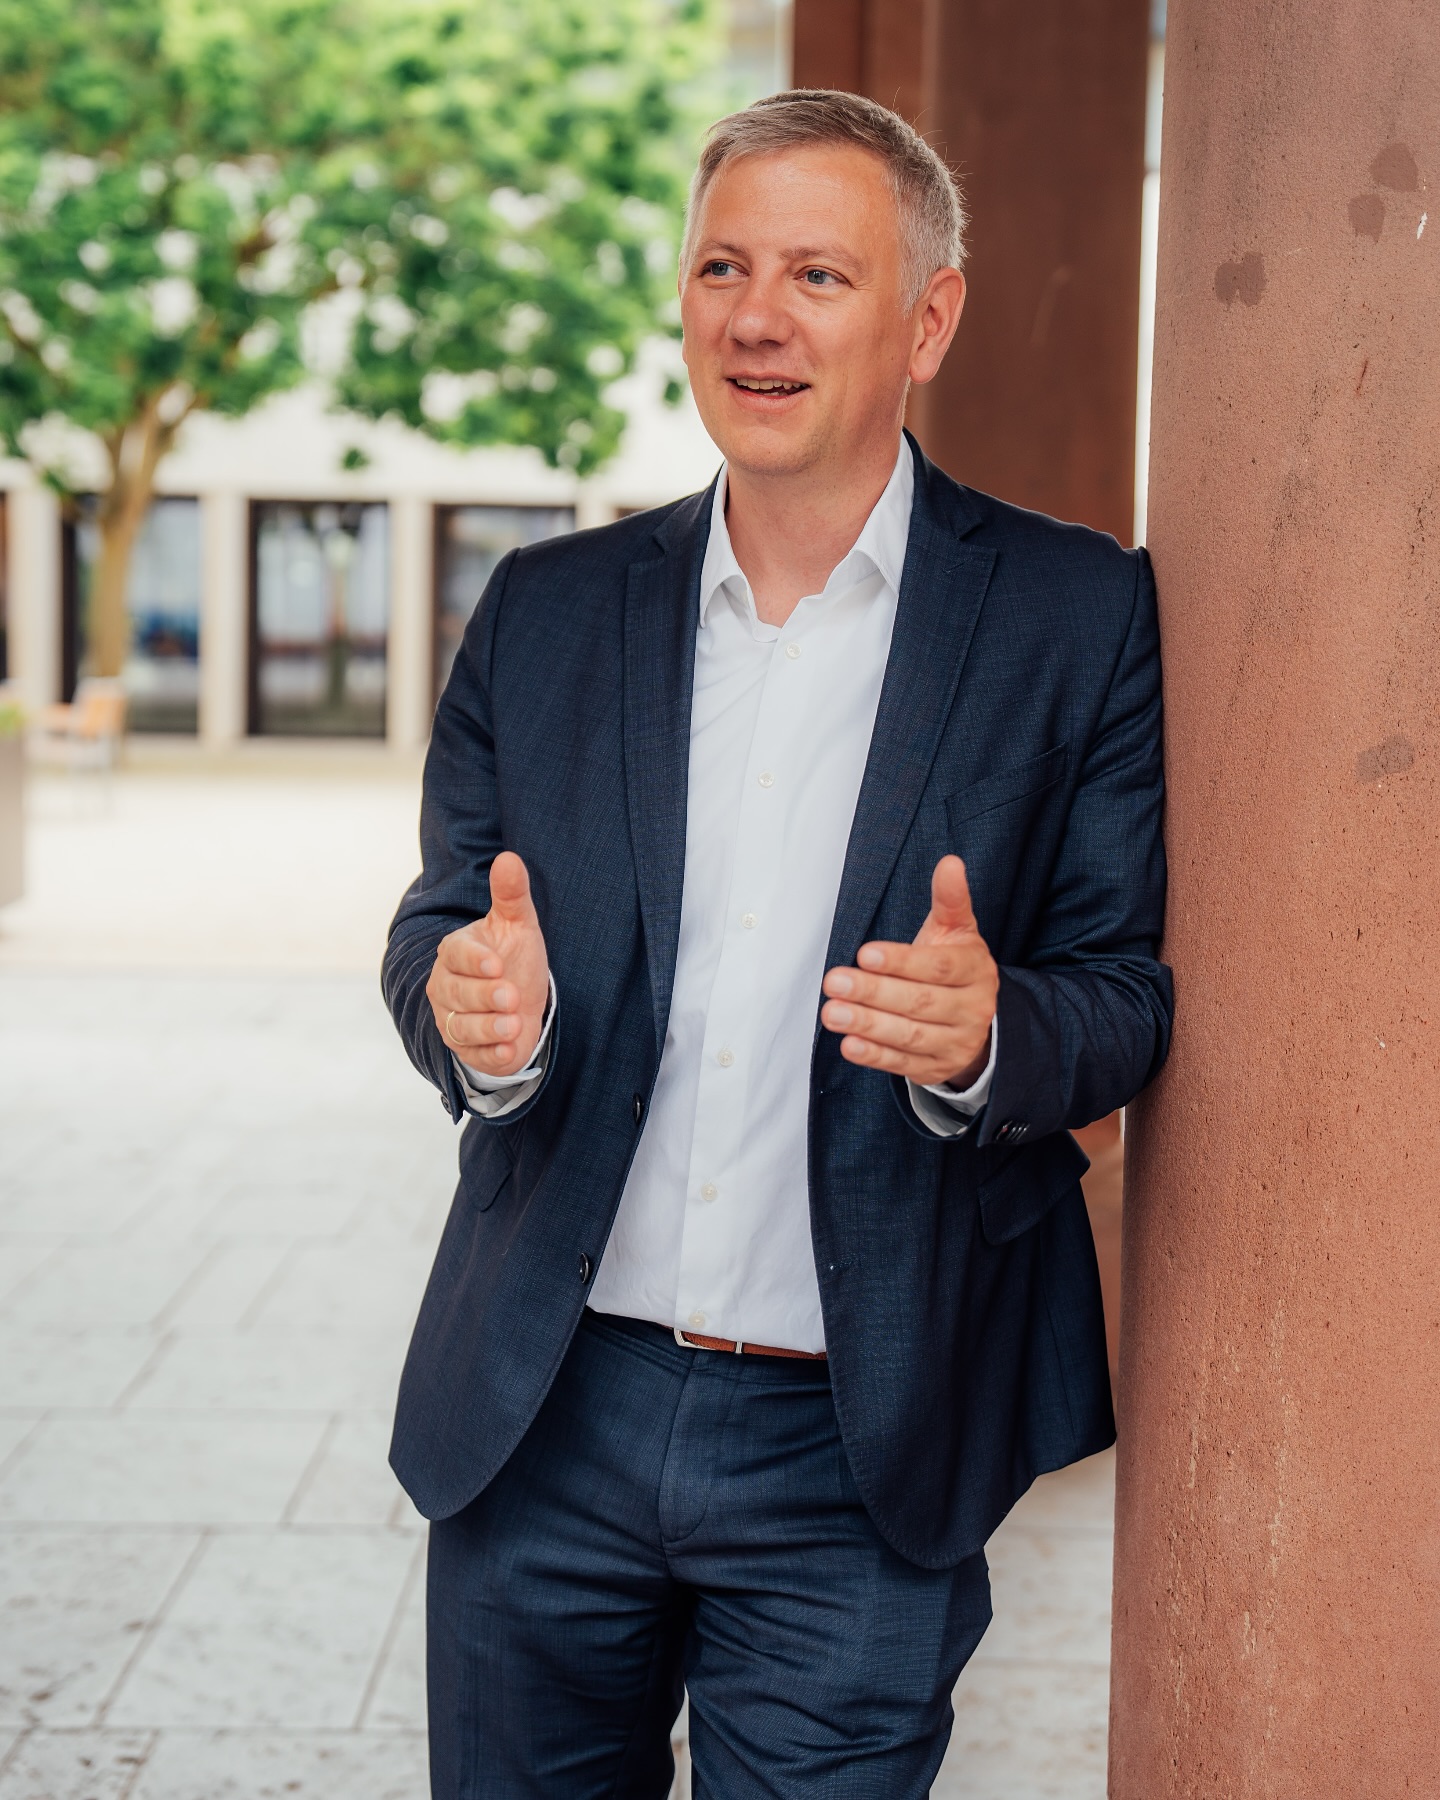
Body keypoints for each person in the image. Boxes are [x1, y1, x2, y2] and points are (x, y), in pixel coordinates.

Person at [383, 88, 1171, 1799]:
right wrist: (479, 1019)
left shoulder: (1076, 614)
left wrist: (987, 1035)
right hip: (545, 1411)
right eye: (723, 267)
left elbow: (1125, 993)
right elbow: (445, 931)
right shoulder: (548, 610)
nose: (757, 315)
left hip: (862, 1439)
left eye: (820, 273)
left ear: (928, 320)